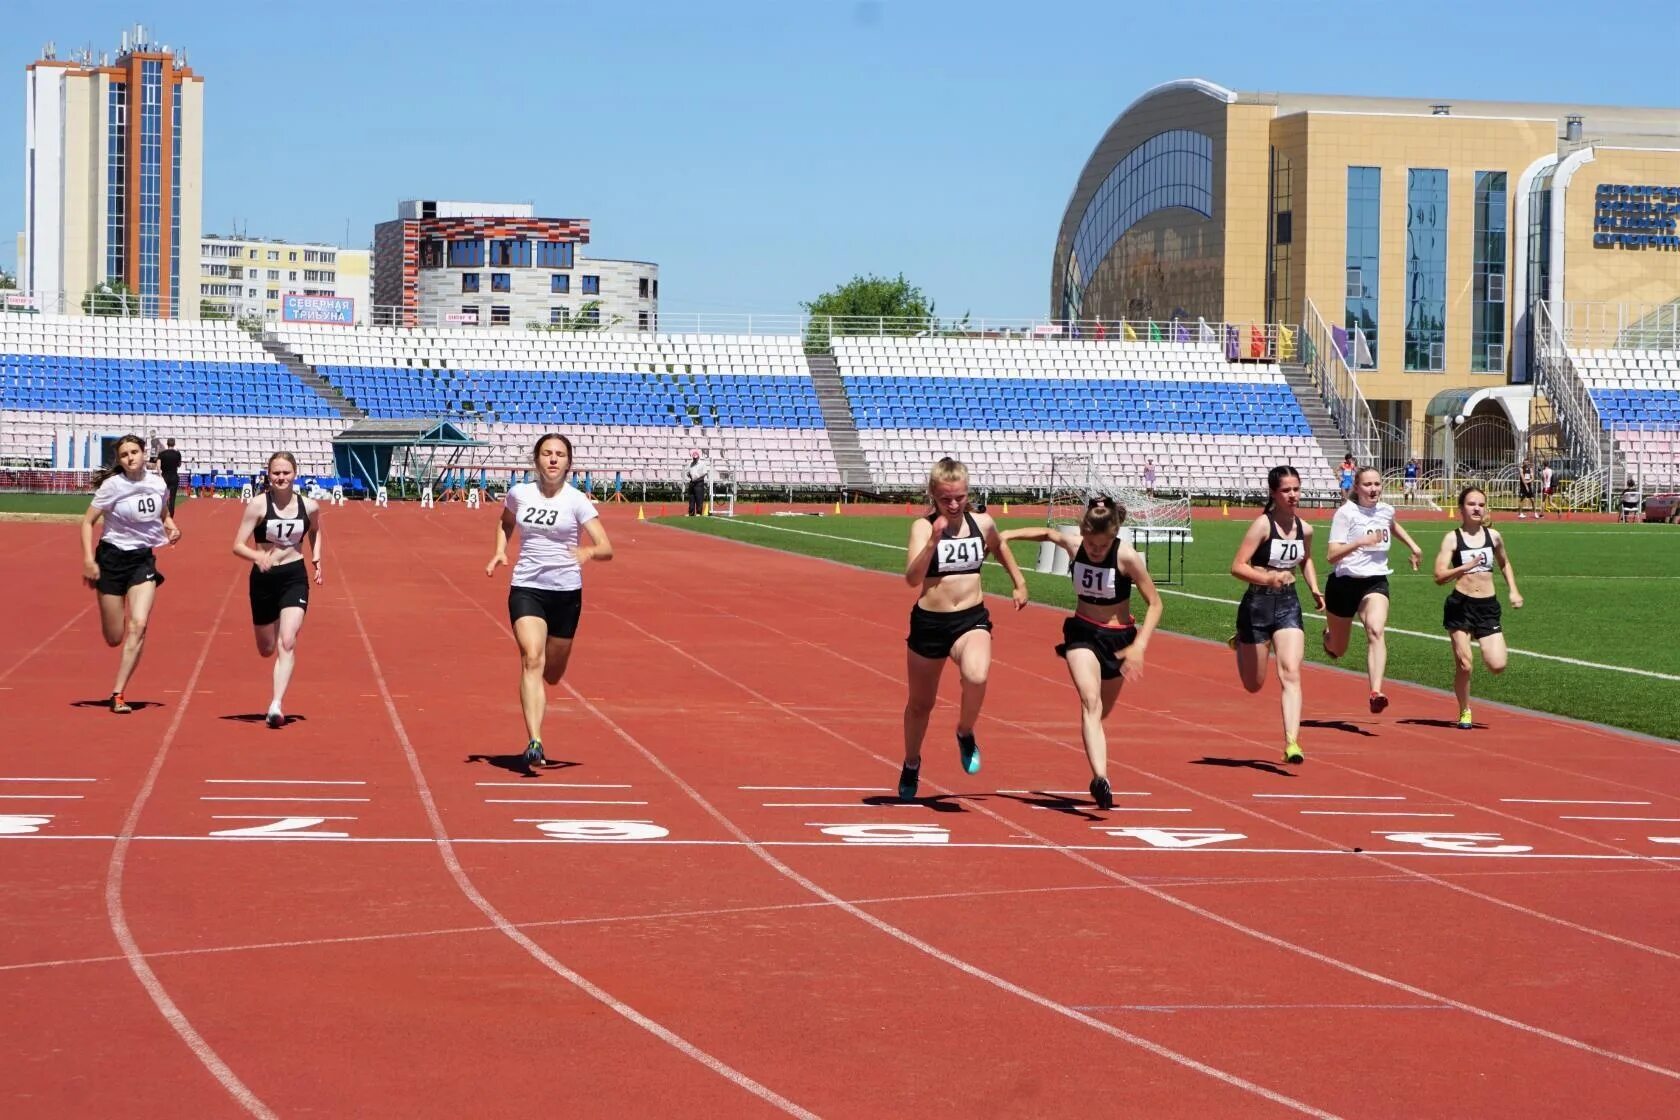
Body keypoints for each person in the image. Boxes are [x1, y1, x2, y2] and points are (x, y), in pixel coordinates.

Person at [1000, 496, 1162, 807]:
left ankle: (1099, 769)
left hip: (1119, 639)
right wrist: (1008, 534)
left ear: (1114, 537)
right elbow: (1049, 534)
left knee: (1101, 713)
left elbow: (1155, 603)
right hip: (1083, 632)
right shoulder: (1076, 546)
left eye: (1102, 546)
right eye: (1091, 544)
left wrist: (1140, 645)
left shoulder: (1126, 557)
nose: (1096, 551)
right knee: (1090, 702)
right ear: (1083, 534)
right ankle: (1100, 778)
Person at [897, 457, 1029, 800]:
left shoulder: (982, 523)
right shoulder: (923, 528)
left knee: (977, 675)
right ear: (933, 496)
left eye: (959, 497)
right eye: (945, 499)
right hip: (929, 623)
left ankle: (965, 731)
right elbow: (912, 579)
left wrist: (1019, 582)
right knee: (920, 705)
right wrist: (932, 543)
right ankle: (912, 762)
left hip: (971, 618)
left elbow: (1000, 548)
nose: (954, 505)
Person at [487, 433, 614, 767]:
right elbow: (506, 521)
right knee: (531, 658)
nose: (553, 459)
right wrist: (500, 550)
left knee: (553, 673)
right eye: (547, 453)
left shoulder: (577, 502)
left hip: (566, 593)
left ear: (569, 463)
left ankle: (544, 688)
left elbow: (606, 547)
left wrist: (588, 551)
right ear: (537, 459)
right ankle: (535, 740)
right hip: (527, 587)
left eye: (559, 454)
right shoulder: (520, 493)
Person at [1228, 466, 1326, 764]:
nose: (1293, 495)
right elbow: (1237, 566)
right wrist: (1268, 579)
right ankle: (1241, 642)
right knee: (1253, 684)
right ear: (1274, 493)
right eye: (1286, 490)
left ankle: (1292, 742)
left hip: (1288, 605)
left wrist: (1314, 588)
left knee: (1291, 672)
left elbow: (1306, 559)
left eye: (1296, 488)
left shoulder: (1305, 529)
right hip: (1256, 606)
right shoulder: (1262, 525)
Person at [79, 434, 180, 714]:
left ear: (144, 453)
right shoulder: (113, 486)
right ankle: (112, 613)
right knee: (114, 637)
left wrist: (172, 527)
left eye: (134, 452)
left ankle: (118, 693)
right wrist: (89, 560)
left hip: (141, 560)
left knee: (139, 625)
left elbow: (163, 515)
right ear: (119, 460)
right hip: (111, 559)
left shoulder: (158, 484)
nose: (130, 458)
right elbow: (87, 523)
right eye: (124, 455)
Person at [231, 452, 324, 729]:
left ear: (295, 473)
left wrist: (317, 557)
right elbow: (237, 544)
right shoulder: (258, 506)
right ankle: (268, 640)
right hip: (263, 579)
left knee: (288, 641)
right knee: (267, 648)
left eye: (286, 473)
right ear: (268, 475)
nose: (281, 478)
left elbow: (316, 531)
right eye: (276, 473)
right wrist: (257, 557)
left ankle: (276, 704)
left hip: (294, 576)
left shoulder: (309, 506)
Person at [1323, 465, 1423, 714]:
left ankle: (1376, 691)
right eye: (1367, 484)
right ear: (1356, 487)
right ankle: (1328, 637)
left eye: (1377, 484)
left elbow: (1391, 525)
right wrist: (1359, 542)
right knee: (1339, 649)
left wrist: (1414, 546)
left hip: (1375, 581)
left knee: (1376, 630)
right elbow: (1331, 556)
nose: (1374, 489)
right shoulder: (1345, 513)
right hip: (1344, 583)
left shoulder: (1386, 510)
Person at [1433, 486, 1523, 730]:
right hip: (1460, 605)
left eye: (1481, 505)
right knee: (1465, 664)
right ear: (1462, 508)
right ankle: (1465, 710)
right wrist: (1464, 567)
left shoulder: (1493, 536)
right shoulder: (1453, 538)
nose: (1477, 508)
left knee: (1497, 665)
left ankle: (1484, 643)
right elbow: (1439, 575)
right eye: (1471, 504)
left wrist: (1513, 590)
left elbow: (1505, 564)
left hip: (1487, 606)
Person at [158, 438, 183, 516]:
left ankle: (162, 514)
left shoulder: (161, 454)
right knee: (172, 498)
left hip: (164, 476)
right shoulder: (177, 454)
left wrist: (160, 475)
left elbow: (158, 466)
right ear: (174, 444)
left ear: (167, 444)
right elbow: (179, 465)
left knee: (162, 497)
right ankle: (171, 516)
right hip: (174, 476)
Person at [684, 449, 710, 516]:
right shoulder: (690, 464)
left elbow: (704, 473)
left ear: (698, 457)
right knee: (691, 498)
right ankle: (691, 512)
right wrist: (691, 477)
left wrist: (697, 479)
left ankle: (699, 512)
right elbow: (688, 473)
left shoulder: (702, 464)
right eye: (693, 458)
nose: (695, 459)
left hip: (699, 483)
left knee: (699, 498)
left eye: (696, 458)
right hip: (692, 482)